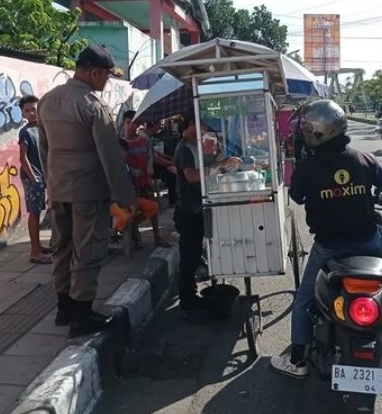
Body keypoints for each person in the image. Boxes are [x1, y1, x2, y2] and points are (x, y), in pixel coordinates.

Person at [270, 100, 382, 379]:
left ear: (318, 131)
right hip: (370, 240)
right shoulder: (363, 159)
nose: (303, 132)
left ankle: (297, 360)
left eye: (307, 128)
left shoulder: (308, 167)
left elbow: (297, 196)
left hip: (329, 247)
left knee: (304, 299)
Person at [38, 44, 137, 337]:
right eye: (106, 77)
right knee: (87, 251)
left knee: (62, 248)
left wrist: (51, 182)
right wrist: (125, 198)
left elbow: (45, 150)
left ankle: (63, 309)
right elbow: (110, 156)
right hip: (88, 192)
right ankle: (82, 316)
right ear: (94, 72)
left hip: (58, 189)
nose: (107, 83)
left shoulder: (47, 100)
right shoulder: (93, 105)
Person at [173, 113, 242, 311]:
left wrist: (219, 158)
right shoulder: (184, 148)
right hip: (188, 209)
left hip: (199, 205)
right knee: (189, 255)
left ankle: (192, 292)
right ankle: (187, 298)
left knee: (196, 252)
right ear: (191, 124)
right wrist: (219, 164)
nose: (204, 128)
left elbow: (207, 168)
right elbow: (192, 176)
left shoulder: (197, 146)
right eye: (201, 124)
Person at [122, 110, 169, 248]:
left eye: (134, 122)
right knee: (133, 210)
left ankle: (156, 236)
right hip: (130, 184)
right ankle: (134, 235)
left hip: (145, 181)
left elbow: (150, 155)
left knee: (153, 209)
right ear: (123, 124)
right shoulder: (121, 144)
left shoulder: (143, 141)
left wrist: (149, 167)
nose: (131, 126)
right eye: (128, 123)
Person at [17, 95, 53, 264]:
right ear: (23, 114)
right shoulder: (25, 132)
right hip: (33, 178)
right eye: (27, 111)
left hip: (43, 176)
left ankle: (38, 246)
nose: (31, 113)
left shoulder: (42, 128)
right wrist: (34, 179)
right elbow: (23, 159)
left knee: (39, 212)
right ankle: (35, 252)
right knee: (34, 213)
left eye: (34, 109)